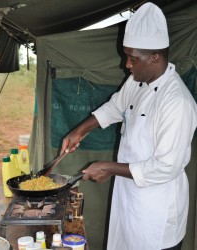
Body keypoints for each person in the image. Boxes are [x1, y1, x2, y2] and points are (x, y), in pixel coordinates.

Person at [60, 2, 197, 250]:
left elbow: (166, 167)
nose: (127, 65)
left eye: (133, 58)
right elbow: (115, 107)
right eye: (127, 56)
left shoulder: (177, 102)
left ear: (155, 57)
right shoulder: (137, 81)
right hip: (129, 198)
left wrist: (109, 167)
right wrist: (80, 130)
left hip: (156, 213)